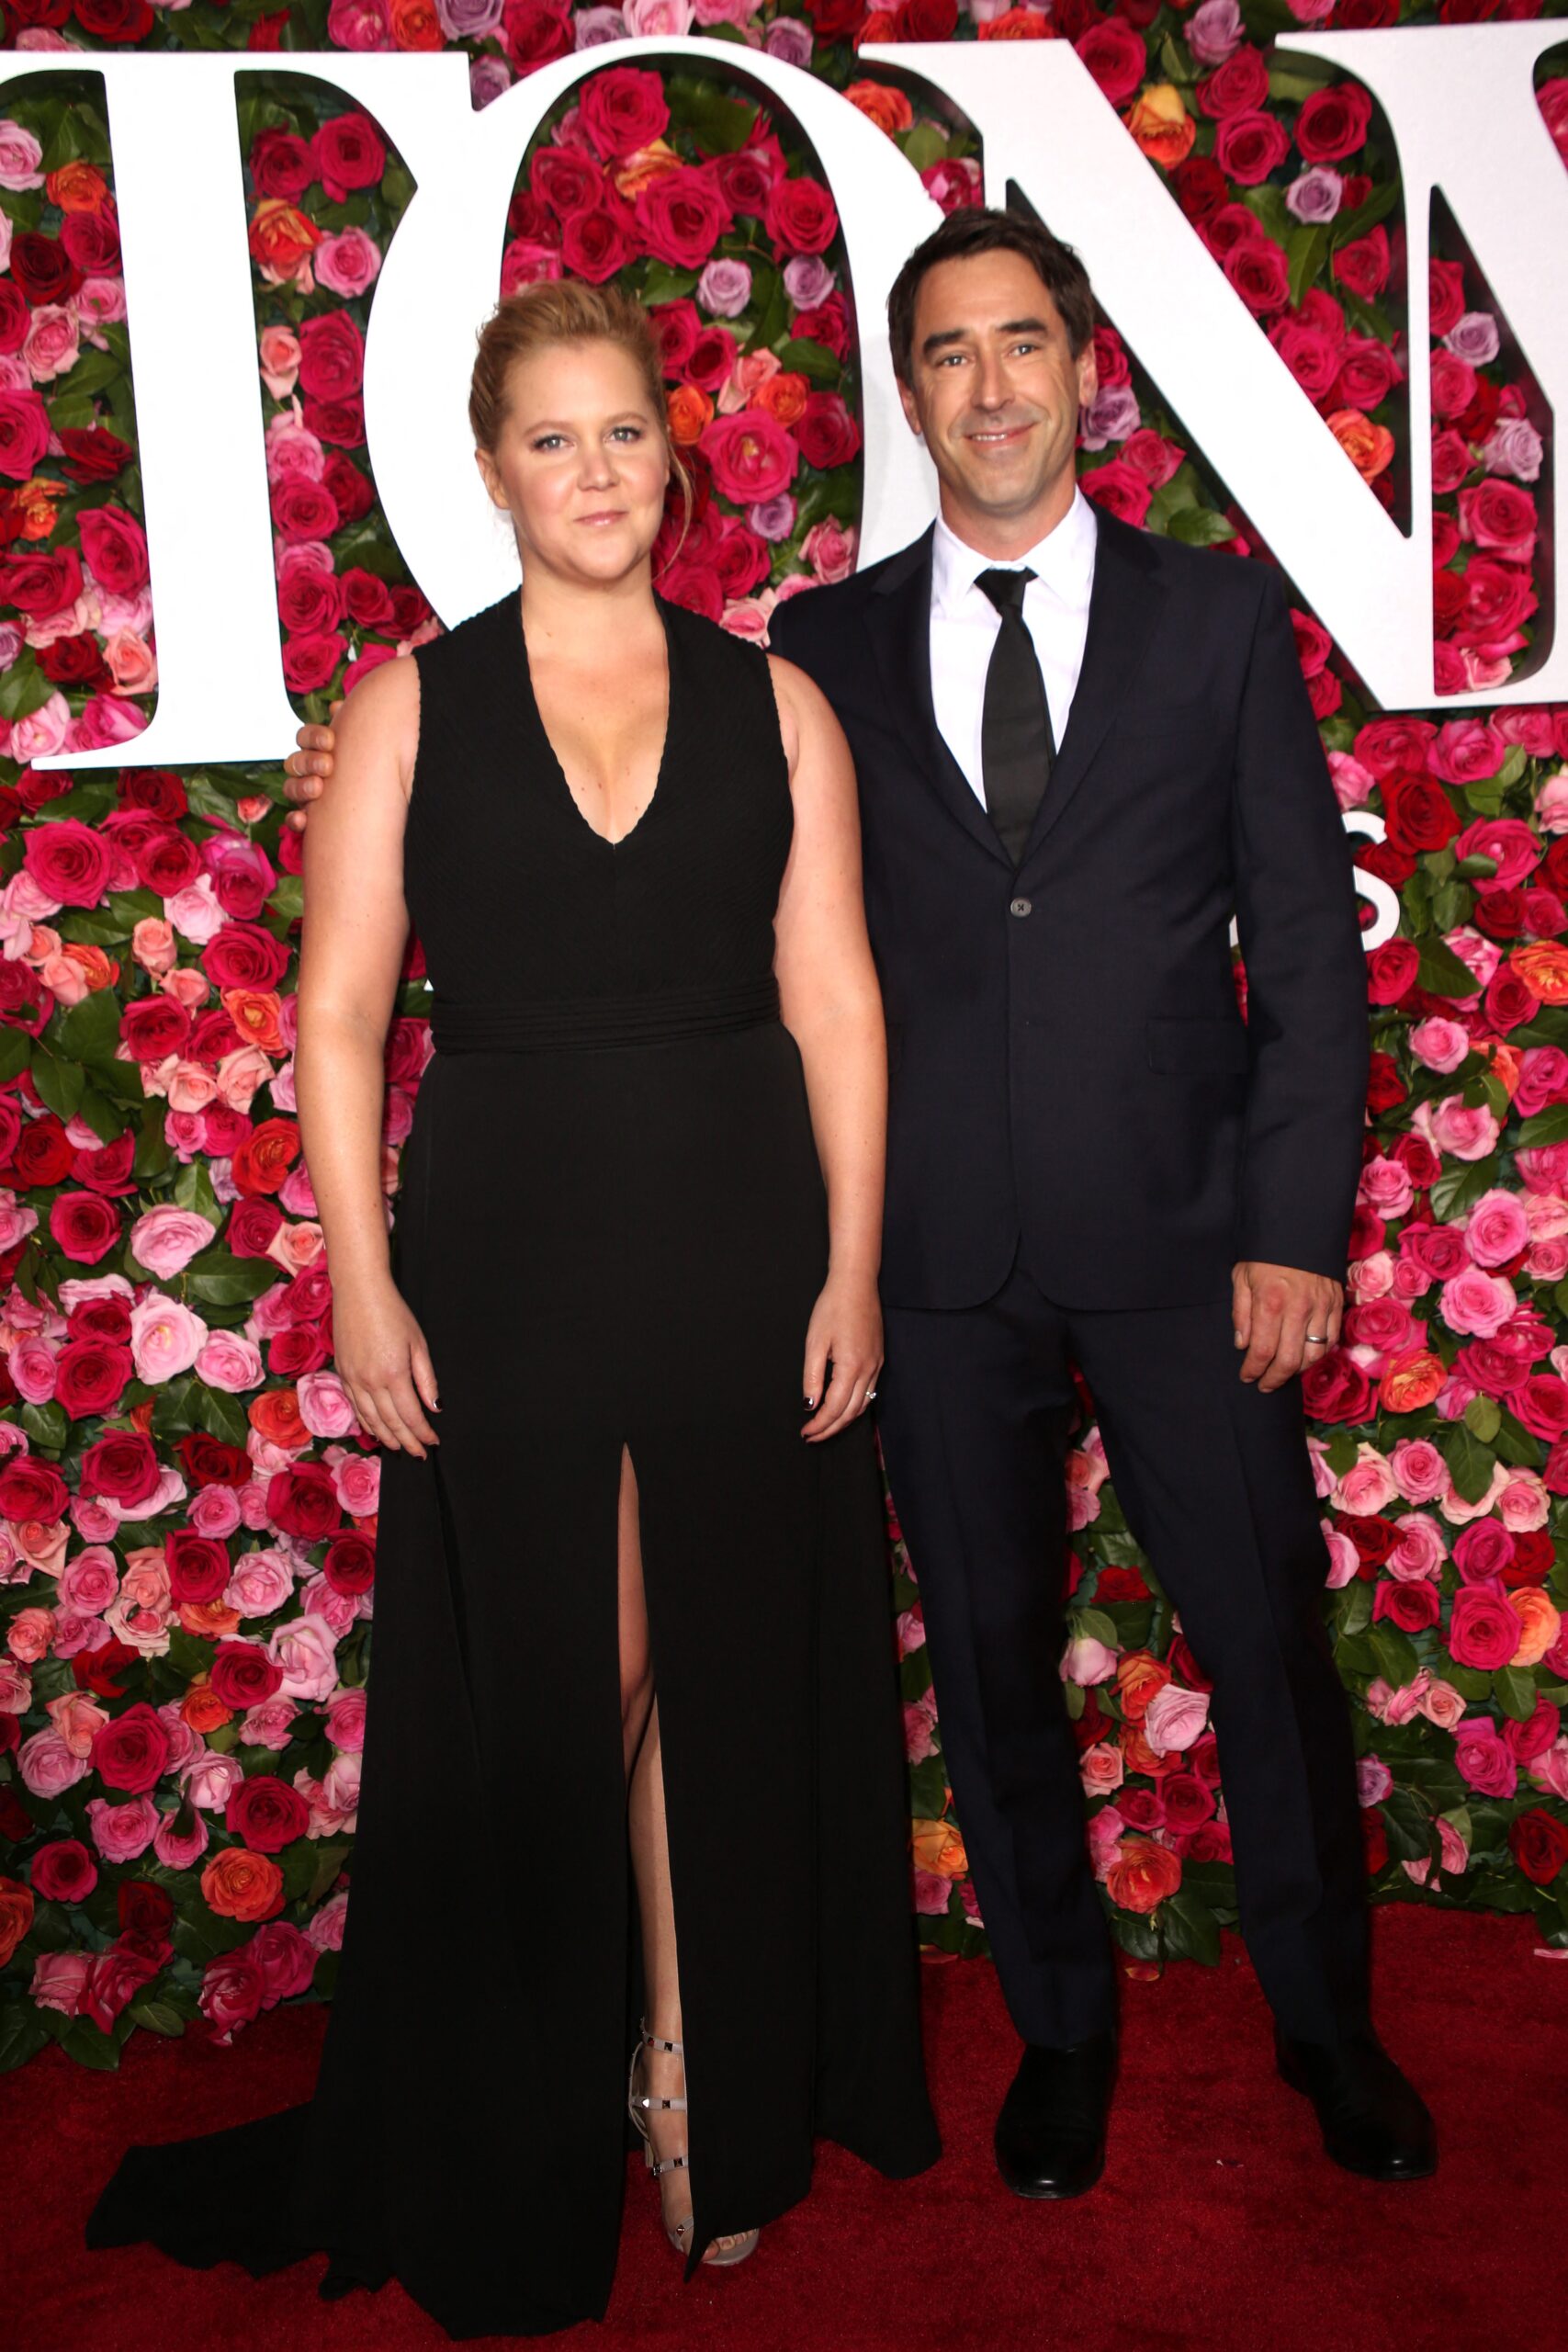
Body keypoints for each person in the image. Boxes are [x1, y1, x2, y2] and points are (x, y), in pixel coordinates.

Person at [285, 212, 1437, 2199]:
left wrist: (1293, 1226)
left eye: (1018, 344)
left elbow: (1305, 967)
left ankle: (1325, 2029)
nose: (986, 386)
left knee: (1263, 1648)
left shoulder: (1216, 624)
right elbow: (593, 837)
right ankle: (1056, 2034)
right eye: (944, 357)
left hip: (1181, 1248)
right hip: (926, 1267)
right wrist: (360, 754)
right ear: (905, 400)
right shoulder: (811, 649)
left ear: (1081, 369)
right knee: (987, 1662)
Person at [86, 281, 939, 2340]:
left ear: (674, 453)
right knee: (577, 1673)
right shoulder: (407, 707)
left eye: (624, 433)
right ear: (490, 471)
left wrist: (847, 1258)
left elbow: (834, 994)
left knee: (715, 1660)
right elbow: (342, 1011)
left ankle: (679, 2060)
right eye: (551, 440)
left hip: (742, 1244)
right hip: (515, 1258)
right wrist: (358, 1275)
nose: (594, 473)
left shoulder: (775, 704)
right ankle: (561, 2082)